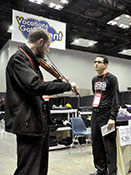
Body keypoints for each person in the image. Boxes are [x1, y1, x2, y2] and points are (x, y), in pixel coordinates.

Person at [5, 27, 79, 175]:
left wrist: (59, 82)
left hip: (37, 122)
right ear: (40, 42)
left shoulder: (30, 61)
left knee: (40, 168)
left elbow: (37, 86)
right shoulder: (19, 59)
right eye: (48, 45)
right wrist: (65, 85)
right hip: (28, 124)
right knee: (29, 169)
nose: (48, 50)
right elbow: (35, 86)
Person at [91, 55, 119, 175]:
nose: (96, 64)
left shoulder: (112, 79)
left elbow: (115, 98)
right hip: (95, 114)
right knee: (96, 144)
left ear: (106, 64)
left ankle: (112, 172)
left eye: (99, 62)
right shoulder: (94, 79)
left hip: (107, 115)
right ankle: (100, 170)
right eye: (95, 62)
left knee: (109, 145)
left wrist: (112, 117)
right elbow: (96, 95)